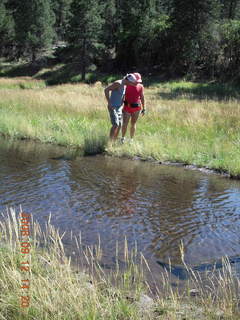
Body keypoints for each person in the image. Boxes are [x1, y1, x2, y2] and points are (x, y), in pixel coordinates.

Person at [104, 74, 138, 141]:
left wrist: (122, 105)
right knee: (115, 124)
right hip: (112, 107)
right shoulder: (118, 83)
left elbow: (122, 96)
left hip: (119, 107)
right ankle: (109, 143)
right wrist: (109, 103)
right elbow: (106, 90)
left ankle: (114, 141)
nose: (131, 84)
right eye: (131, 83)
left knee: (120, 124)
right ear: (127, 80)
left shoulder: (125, 85)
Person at [121, 72, 145, 143]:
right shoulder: (126, 85)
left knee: (133, 123)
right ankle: (123, 138)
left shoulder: (140, 86)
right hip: (127, 108)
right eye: (136, 81)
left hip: (137, 108)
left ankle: (131, 139)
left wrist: (144, 108)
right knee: (125, 123)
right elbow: (122, 96)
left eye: (138, 81)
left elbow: (142, 97)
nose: (137, 83)